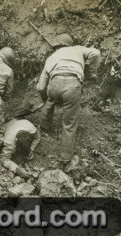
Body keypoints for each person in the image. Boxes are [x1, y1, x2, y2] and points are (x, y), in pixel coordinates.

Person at [36, 33, 100, 162]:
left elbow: (40, 87)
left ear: (56, 46)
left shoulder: (51, 57)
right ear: (70, 44)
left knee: (50, 101)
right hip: (72, 85)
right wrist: (89, 71)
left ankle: (43, 128)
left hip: (54, 84)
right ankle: (65, 157)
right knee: (69, 122)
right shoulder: (77, 49)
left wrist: (46, 99)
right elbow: (96, 53)